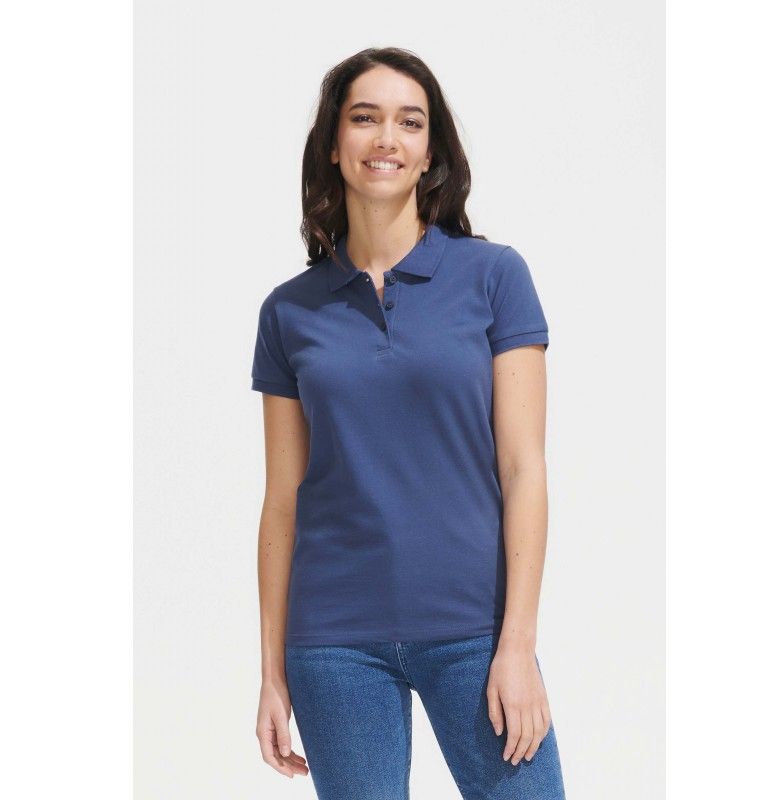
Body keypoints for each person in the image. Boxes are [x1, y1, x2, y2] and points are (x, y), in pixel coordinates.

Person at [251, 47, 567, 800]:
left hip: (474, 629)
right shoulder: (289, 311)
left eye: (409, 122)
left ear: (431, 153)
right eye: (365, 118)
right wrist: (270, 673)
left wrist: (517, 644)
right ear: (335, 145)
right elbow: (283, 502)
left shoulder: (494, 277)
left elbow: (524, 470)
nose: (386, 138)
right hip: (334, 641)